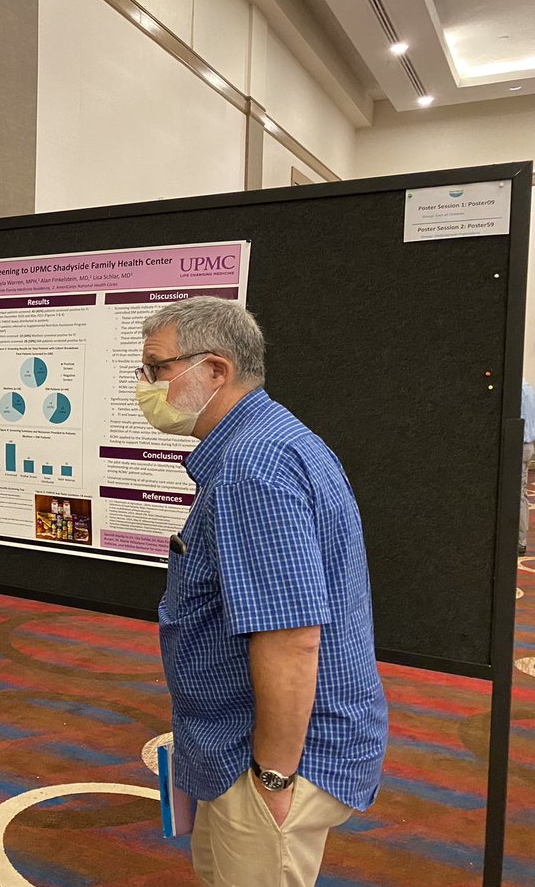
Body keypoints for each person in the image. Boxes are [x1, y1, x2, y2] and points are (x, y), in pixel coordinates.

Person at [136, 298, 388, 887]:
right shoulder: (269, 440)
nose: (145, 386)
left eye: (157, 369)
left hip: (271, 760)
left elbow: (291, 639)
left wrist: (273, 780)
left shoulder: (252, 470)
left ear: (216, 370)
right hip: (239, 745)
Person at [519, 378, 535, 554]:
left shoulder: (518, 391)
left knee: (517, 495)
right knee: (521, 493)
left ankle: (520, 540)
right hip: (529, 445)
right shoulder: (530, 390)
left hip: (519, 446)